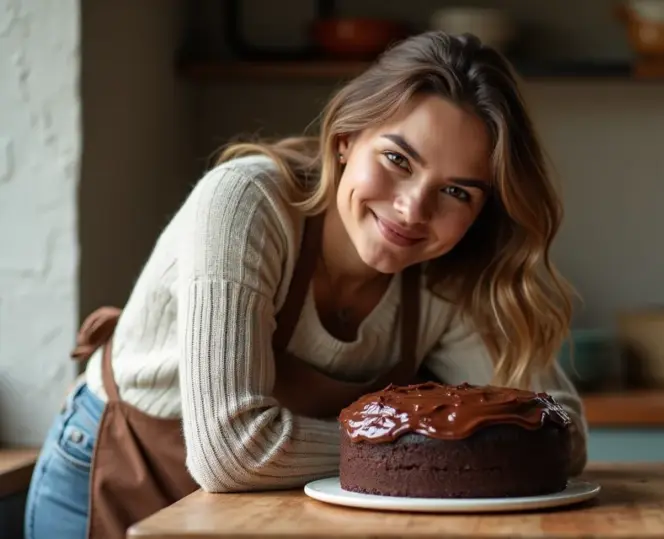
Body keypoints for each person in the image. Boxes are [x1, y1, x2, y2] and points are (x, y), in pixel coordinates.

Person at [23, 31, 588, 539]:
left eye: (457, 192)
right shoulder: (247, 202)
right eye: (397, 159)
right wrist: (442, 450)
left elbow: (563, 430)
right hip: (120, 472)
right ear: (345, 140)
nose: (412, 209)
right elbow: (231, 452)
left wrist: (425, 449)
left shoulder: (448, 271)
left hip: (263, 510)